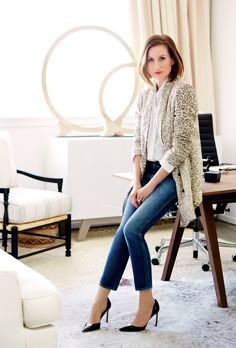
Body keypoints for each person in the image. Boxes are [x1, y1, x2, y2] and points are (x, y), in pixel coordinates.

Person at [82, 34, 202, 333]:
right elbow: (136, 144)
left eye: (162, 58)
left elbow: (182, 147)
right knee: (123, 233)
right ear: (144, 64)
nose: (156, 65)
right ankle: (100, 302)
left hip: (171, 177)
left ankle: (146, 304)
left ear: (173, 59)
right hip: (145, 174)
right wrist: (137, 182)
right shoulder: (145, 95)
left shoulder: (183, 91)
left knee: (134, 229)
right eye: (150, 59)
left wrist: (149, 187)